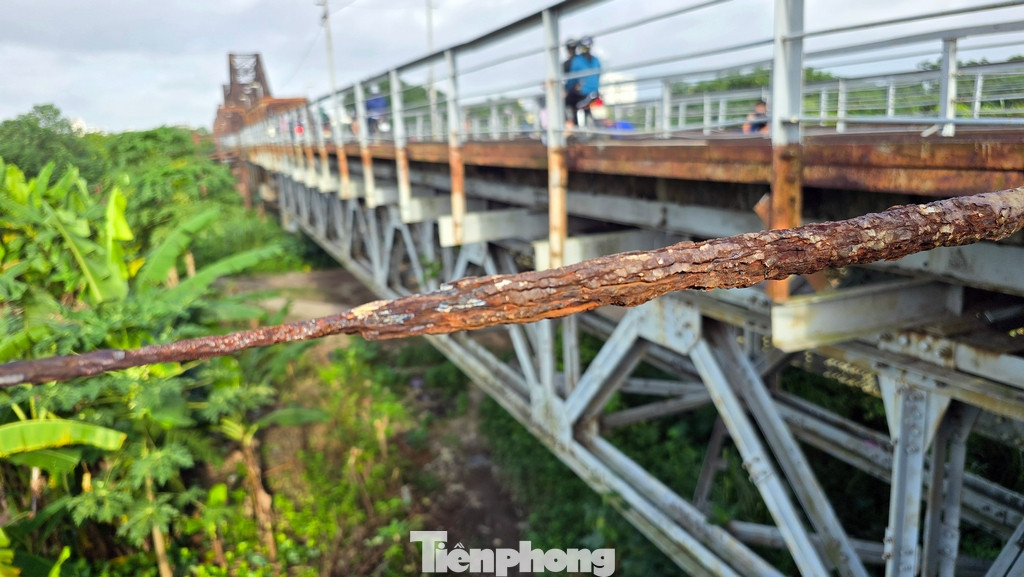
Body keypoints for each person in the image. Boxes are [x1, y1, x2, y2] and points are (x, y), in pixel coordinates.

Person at [566, 36, 602, 127]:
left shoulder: (577, 61)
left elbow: (571, 80)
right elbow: (598, 77)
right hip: (595, 93)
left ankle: (574, 126)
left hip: (583, 94)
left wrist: (567, 89)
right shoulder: (596, 60)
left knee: (568, 102)